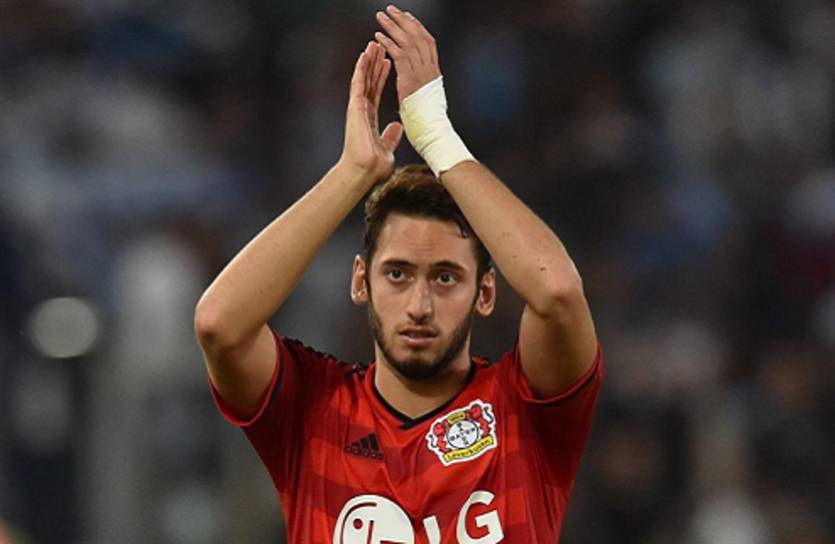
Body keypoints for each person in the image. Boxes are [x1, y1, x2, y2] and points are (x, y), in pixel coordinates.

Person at [194, 5, 602, 543]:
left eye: (446, 278)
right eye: (397, 274)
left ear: (485, 292)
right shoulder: (313, 410)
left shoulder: (523, 410)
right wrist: (352, 173)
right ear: (360, 281)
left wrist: (437, 138)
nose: (419, 305)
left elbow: (558, 292)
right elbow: (219, 325)